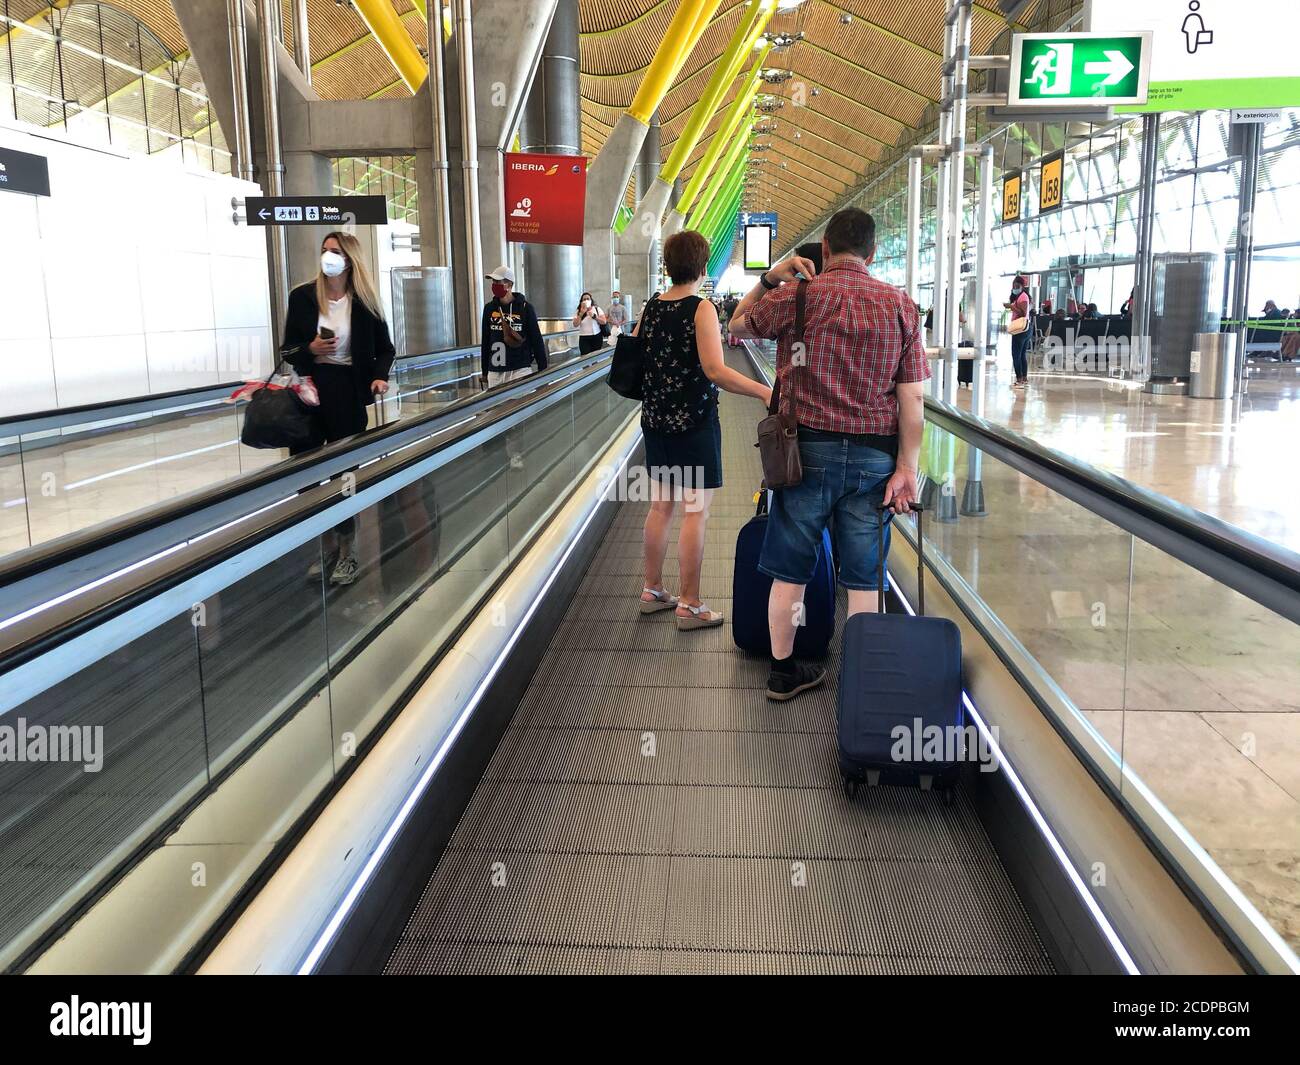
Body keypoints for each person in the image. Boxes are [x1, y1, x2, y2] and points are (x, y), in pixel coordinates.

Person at [731, 208, 928, 702]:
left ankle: (783, 672)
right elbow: (913, 400)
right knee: (864, 577)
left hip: (804, 456)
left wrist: (768, 279)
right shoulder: (900, 306)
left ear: (823, 248)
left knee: (791, 569)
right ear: (873, 252)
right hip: (874, 461)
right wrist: (907, 468)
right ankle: (861, 682)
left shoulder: (795, 297)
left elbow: (735, 325)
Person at [635, 230, 772, 631]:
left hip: (657, 422)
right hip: (693, 426)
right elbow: (716, 371)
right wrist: (763, 390)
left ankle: (652, 589)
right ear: (702, 265)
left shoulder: (652, 308)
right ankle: (690, 604)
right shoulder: (701, 309)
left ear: (667, 265)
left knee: (660, 508)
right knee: (696, 512)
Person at [283, 231, 395, 586]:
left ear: (350, 260)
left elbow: (386, 348)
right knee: (309, 477)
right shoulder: (302, 297)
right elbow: (287, 350)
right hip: (309, 394)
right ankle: (326, 545)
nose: (327, 257)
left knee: (344, 475)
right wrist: (311, 349)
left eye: (335, 252)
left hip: (347, 394)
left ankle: (348, 551)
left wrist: (378, 376)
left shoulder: (364, 303)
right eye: (324, 251)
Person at [480, 266, 547, 388]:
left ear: (509, 284)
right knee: (497, 407)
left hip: (519, 368)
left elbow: (536, 340)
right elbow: (486, 340)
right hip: (495, 370)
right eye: (493, 281)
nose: (494, 285)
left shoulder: (525, 308)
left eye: (498, 282)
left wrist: (543, 370)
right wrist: (485, 371)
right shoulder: (489, 308)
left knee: (521, 405)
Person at [1004, 274, 1032, 389]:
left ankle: (1019, 379)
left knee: (1016, 355)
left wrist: (1011, 306)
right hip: (1024, 329)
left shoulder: (1023, 297)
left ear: (1022, 286)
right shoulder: (1021, 296)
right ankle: (1024, 378)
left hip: (1020, 330)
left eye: (1017, 286)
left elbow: (1022, 313)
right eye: (1014, 286)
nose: (1015, 288)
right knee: (1021, 355)